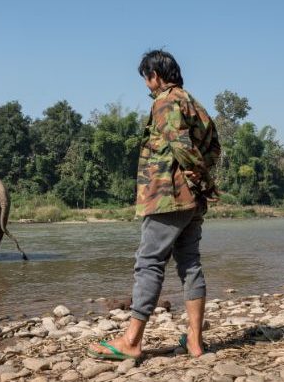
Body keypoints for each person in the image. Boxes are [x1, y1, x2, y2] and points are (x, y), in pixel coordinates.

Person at [88, 49, 220, 360]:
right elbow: (214, 147)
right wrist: (201, 182)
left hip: (167, 198)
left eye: (147, 79)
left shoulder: (165, 101)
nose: (147, 86)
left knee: (148, 263)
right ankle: (195, 342)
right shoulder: (194, 103)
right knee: (190, 263)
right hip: (191, 201)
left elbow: (179, 143)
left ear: (155, 76)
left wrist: (198, 176)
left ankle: (132, 341)